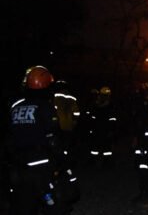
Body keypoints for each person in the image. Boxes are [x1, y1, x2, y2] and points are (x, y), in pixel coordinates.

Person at [7, 65, 73, 215]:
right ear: (45, 85)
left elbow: (10, 133)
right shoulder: (45, 107)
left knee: (22, 202)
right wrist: (62, 160)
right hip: (40, 163)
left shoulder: (16, 105)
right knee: (53, 202)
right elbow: (52, 137)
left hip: (19, 163)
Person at [131, 83, 148, 202]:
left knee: (145, 166)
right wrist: (136, 137)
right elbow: (137, 122)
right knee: (145, 165)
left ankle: (145, 191)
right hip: (144, 140)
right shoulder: (142, 104)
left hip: (147, 141)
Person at [53, 80, 80, 167]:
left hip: (58, 126)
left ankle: (60, 163)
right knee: (68, 146)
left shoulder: (55, 97)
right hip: (69, 126)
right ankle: (68, 162)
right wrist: (74, 122)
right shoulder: (72, 98)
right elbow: (76, 113)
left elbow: (51, 111)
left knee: (59, 146)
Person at [88, 86, 118, 167]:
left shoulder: (97, 104)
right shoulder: (109, 105)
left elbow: (92, 117)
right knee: (105, 147)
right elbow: (112, 119)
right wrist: (112, 130)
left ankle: (95, 161)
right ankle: (105, 162)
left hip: (98, 129)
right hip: (104, 129)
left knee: (97, 146)